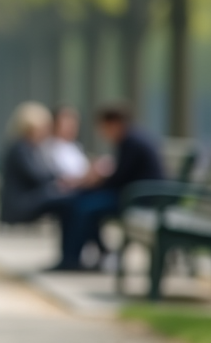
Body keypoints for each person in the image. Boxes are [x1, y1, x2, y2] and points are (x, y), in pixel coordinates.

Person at [43, 103, 164, 271]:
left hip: (141, 199)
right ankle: (83, 255)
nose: (102, 132)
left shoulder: (131, 142)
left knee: (83, 207)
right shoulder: (131, 138)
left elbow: (119, 178)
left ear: (113, 123)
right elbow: (122, 176)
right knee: (80, 203)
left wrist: (95, 182)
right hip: (136, 195)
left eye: (103, 127)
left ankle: (73, 258)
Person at [0, 102, 61, 225]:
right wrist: (61, 179)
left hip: (24, 202)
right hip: (19, 206)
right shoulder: (21, 149)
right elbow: (37, 176)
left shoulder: (30, 148)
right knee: (64, 197)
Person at [48, 105, 90, 182]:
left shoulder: (75, 146)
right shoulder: (49, 148)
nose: (72, 127)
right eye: (67, 124)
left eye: (74, 124)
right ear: (55, 124)